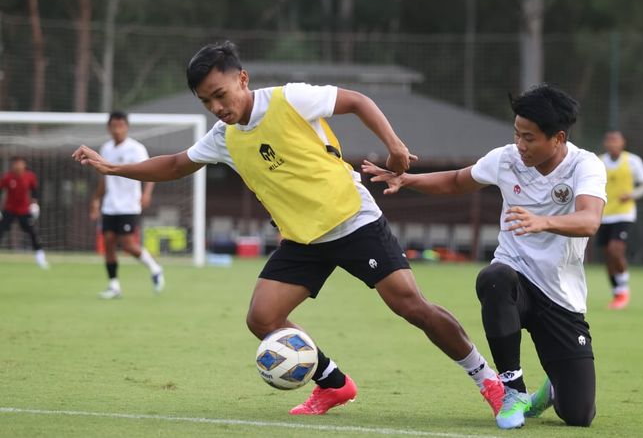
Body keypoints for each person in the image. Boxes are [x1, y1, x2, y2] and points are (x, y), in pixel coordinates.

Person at [73, 41, 505, 420]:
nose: (218, 108)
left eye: (220, 95)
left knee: (413, 307)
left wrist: (394, 145)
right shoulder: (224, 136)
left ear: (242, 79)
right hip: (303, 239)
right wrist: (113, 167)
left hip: (352, 220)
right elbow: (173, 164)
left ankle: (489, 381)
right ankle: (334, 383)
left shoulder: (290, 99)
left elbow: (358, 101)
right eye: (207, 102)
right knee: (262, 318)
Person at [363, 84, 606, 429]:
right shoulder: (506, 159)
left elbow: (589, 220)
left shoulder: (585, 165)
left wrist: (543, 221)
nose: (520, 145)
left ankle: (552, 390)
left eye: (530, 138)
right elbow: (456, 181)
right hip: (515, 280)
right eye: (517, 134)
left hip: (560, 295)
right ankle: (513, 389)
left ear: (558, 138)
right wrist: (407, 180)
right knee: (494, 278)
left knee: (579, 415)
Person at [90, 111, 164, 299]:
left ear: (126, 127)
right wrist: (96, 200)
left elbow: (151, 171)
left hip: (129, 205)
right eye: (113, 126)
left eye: (120, 126)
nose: (117, 130)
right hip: (110, 205)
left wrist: (147, 193)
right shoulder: (106, 149)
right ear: (109, 128)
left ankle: (155, 268)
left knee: (128, 245)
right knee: (108, 243)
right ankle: (114, 286)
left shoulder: (136, 149)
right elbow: (104, 178)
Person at [596, 131, 643, 310]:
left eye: (616, 140)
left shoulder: (633, 161)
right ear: (605, 143)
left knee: (615, 250)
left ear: (622, 143)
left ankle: (623, 290)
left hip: (624, 214)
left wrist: (632, 195)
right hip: (603, 215)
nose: (612, 144)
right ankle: (616, 292)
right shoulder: (599, 162)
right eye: (609, 141)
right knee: (608, 255)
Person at [0, 156, 49, 269]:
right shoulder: (7, 177)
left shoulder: (30, 177)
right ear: (12, 165)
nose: (18, 166)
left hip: (24, 211)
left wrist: (35, 204)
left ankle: (40, 258)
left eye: (20, 164)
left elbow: (34, 191)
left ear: (24, 165)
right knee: (1, 231)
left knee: (33, 233)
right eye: (16, 164)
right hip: (9, 210)